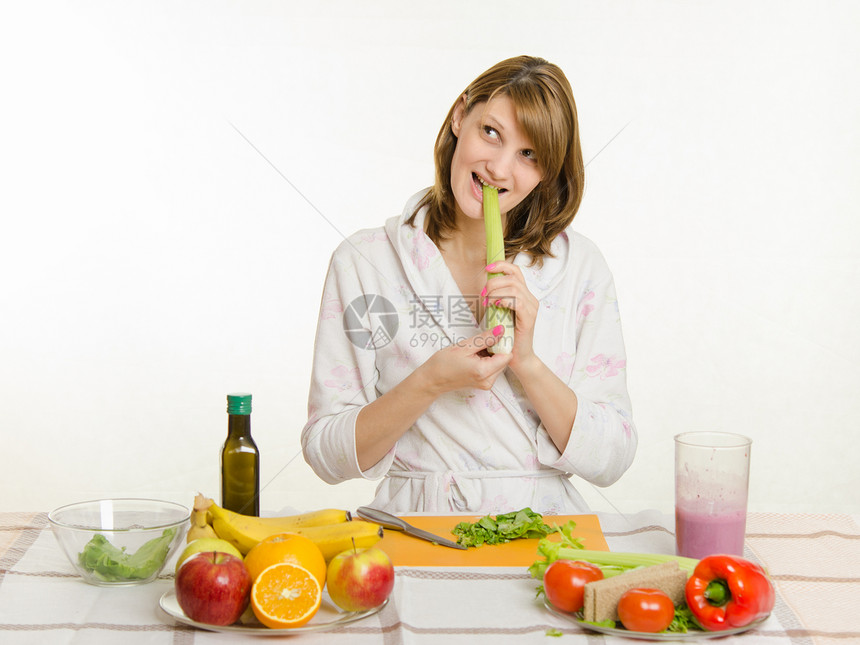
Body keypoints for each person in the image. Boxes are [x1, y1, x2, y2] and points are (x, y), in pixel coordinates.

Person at [301, 55, 637, 514]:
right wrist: (429, 381)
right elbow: (326, 454)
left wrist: (528, 363)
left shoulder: (581, 267)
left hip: (544, 533)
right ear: (461, 115)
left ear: (547, 172)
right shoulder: (364, 262)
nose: (499, 168)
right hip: (415, 526)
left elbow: (612, 458)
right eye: (491, 132)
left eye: (529, 154)